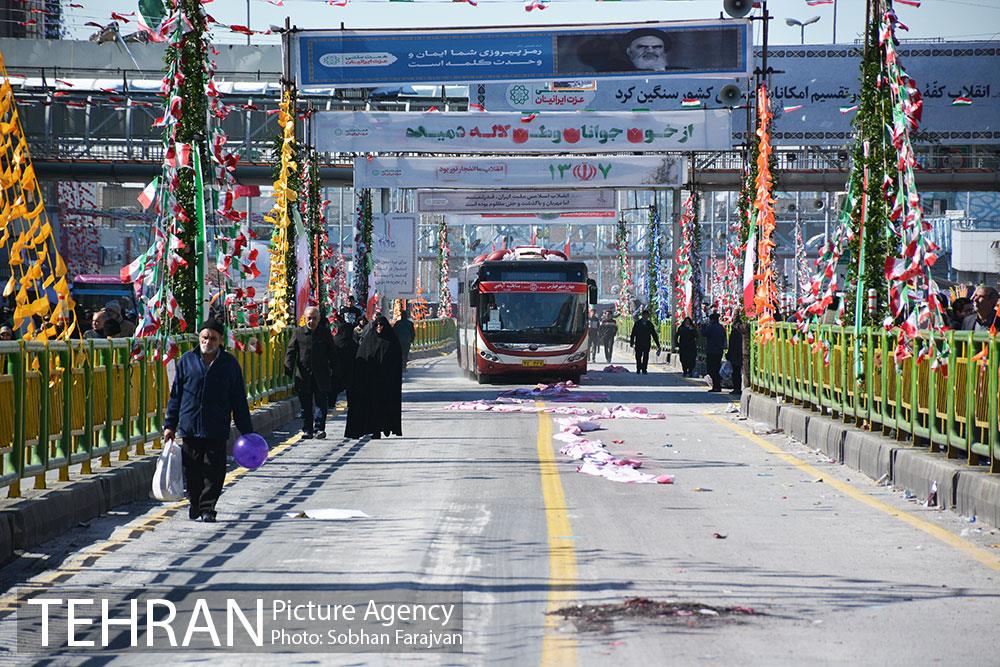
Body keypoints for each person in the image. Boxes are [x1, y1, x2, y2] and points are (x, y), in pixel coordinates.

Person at [163, 319, 253, 523]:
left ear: (221, 340)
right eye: (205, 337)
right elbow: (175, 395)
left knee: (214, 470)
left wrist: (247, 431)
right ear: (199, 338)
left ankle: (208, 508)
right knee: (192, 470)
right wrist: (170, 425)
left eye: (213, 338)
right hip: (190, 426)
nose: (208, 342)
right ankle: (195, 502)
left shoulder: (229, 364)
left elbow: (238, 399)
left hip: (217, 426)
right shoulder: (187, 360)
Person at [345, 316, 403, 440]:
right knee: (371, 407)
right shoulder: (368, 341)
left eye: (381, 325)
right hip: (370, 382)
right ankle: (374, 430)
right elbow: (361, 360)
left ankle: (386, 427)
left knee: (385, 406)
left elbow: (397, 362)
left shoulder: (392, 341)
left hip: (386, 382)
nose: (379, 327)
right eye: (376, 325)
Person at [284, 307, 333, 440]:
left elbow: (332, 352)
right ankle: (307, 430)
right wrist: (288, 367)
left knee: (321, 403)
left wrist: (335, 368)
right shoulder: (298, 332)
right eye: (309, 318)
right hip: (303, 375)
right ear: (305, 319)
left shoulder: (325, 332)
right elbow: (291, 351)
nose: (311, 321)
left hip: (321, 374)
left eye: (314, 318)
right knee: (305, 405)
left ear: (319, 319)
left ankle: (319, 429)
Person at [330, 316, 359, 409]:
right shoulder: (353, 344)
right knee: (350, 388)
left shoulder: (334, 342)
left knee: (334, 388)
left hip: (336, 370)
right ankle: (351, 403)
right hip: (350, 370)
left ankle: (331, 403)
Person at [628, 309, 661, 374]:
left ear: (648, 316)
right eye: (644, 315)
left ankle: (644, 369)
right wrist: (631, 342)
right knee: (638, 356)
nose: (645, 316)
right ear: (642, 315)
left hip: (646, 343)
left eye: (647, 315)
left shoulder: (650, 324)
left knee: (646, 356)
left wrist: (658, 344)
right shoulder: (637, 323)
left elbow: (654, 334)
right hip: (638, 342)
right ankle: (638, 368)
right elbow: (633, 333)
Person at [701, 312, 727, 393]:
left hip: (711, 351)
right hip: (719, 351)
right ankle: (717, 386)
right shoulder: (721, 327)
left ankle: (716, 386)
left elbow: (704, 333)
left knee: (712, 369)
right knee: (717, 368)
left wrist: (702, 327)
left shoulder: (711, 327)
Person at [393, 309, 416, 374]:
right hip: (407, 341)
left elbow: (394, 332)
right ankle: (404, 367)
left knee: (399, 354)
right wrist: (412, 340)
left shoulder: (397, 323)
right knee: (405, 354)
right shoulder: (410, 323)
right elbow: (413, 333)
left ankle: (400, 367)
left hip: (399, 341)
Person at [727, 320, 744, 396]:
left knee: (735, 373)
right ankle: (738, 388)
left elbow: (731, 345)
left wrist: (729, 354)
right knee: (737, 373)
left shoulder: (734, 332)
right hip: (740, 355)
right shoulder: (742, 333)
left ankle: (736, 388)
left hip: (735, 355)